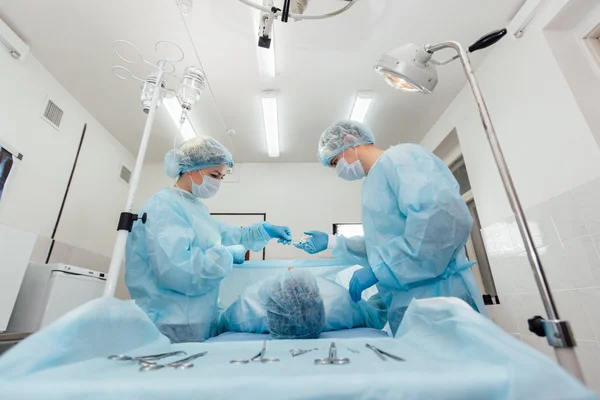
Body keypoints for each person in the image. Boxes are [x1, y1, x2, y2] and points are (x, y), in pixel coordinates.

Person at [294, 120, 486, 335]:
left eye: (335, 161)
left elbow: (438, 223)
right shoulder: (372, 183)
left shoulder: (403, 159)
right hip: (407, 303)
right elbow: (382, 245)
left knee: (459, 365)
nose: (337, 170)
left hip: (440, 296)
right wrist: (332, 241)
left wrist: (382, 268)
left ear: (350, 141)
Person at [125, 136, 292, 343]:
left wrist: (264, 231)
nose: (217, 182)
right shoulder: (164, 207)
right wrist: (225, 256)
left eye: (221, 177)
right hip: (170, 325)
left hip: (195, 322)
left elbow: (229, 235)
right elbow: (179, 271)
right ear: (190, 168)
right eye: (214, 174)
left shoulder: (195, 209)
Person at [218, 268, 387, 339]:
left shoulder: (246, 312)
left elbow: (220, 323)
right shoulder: (341, 304)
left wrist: (382, 270)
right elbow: (376, 316)